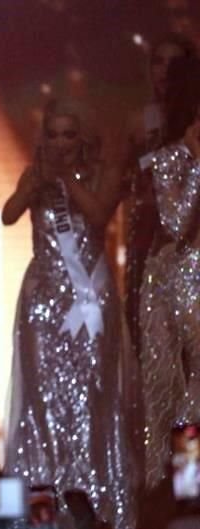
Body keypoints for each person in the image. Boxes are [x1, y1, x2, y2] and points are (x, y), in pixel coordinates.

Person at [2, 97, 137, 529]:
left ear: (84, 138)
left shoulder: (104, 173)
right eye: (53, 133)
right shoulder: (37, 175)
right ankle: (43, 506)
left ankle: (94, 503)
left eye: (69, 133)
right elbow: (8, 215)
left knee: (91, 397)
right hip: (42, 300)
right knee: (42, 402)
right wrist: (37, 182)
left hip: (89, 302)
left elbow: (98, 216)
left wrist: (64, 181)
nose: (60, 142)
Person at [141, 55, 200, 489]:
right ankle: (186, 493)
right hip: (174, 284)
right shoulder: (169, 159)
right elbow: (177, 223)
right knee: (178, 399)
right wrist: (197, 163)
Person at [119, 33, 194, 358]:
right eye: (158, 62)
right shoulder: (140, 122)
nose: (164, 71)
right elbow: (121, 177)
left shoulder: (194, 125)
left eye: (174, 64)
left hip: (188, 237)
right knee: (148, 344)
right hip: (147, 237)